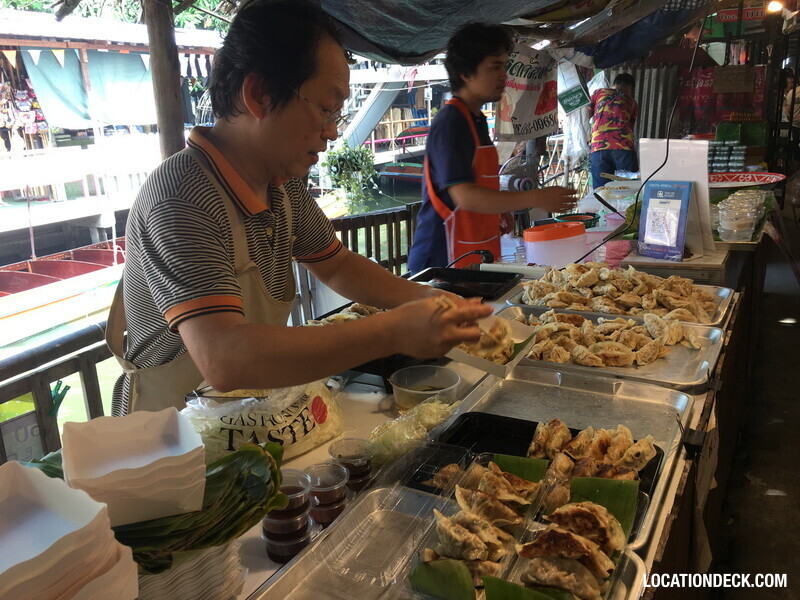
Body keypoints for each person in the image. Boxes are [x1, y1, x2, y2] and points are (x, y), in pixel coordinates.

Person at [107, 0, 492, 416]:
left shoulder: (282, 185)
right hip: (167, 433)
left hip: (237, 418)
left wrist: (433, 300)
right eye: (326, 109)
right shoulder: (182, 195)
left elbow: (337, 266)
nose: (332, 132)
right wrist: (390, 332)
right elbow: (224, 357)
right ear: (259, 94)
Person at [407, 23, 575, 274]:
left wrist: (500, 209)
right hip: (441, 258)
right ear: (466, 73)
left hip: (473, 251)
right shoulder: (451, 122)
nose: (504, 76)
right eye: (495, 67)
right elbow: (465, 196)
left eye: (504, 66)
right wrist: (537, 197)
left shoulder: (477, 120)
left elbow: (479, 184)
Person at [588, 73, 639, 189]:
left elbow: (586, 115)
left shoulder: (598, 93)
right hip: (623, 147)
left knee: (601, 190)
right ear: (629, 88)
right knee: (629, 188)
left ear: (614, 84)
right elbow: (630, 127)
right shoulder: (631, 102)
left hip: (599, 146)